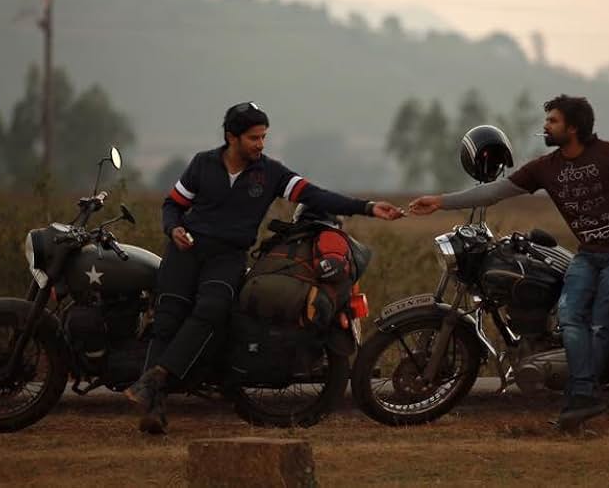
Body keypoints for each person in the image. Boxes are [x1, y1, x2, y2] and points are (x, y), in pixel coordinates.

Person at [126, 101, 403, 433]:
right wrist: (173, 229)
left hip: (227, 257)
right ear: (232, 137)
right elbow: (173, 204)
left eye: (263, 137)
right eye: (254, 138)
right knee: (167, 318)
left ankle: (158, 377)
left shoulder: (270, 173)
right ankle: (154, 409)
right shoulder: (202, 164)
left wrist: (368, 207)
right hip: (186, 251)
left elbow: (316, 196)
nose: (261, 144)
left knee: (212, 309)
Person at [408, 94, 609, 430]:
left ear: (573, 127)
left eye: (553, 121)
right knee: (570, 317)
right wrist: (440, 202)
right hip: (588, 254)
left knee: (600, 324)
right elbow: (495, 191)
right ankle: (579, 394)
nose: (546, 126)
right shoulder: (547, 167)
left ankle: (581, 396)